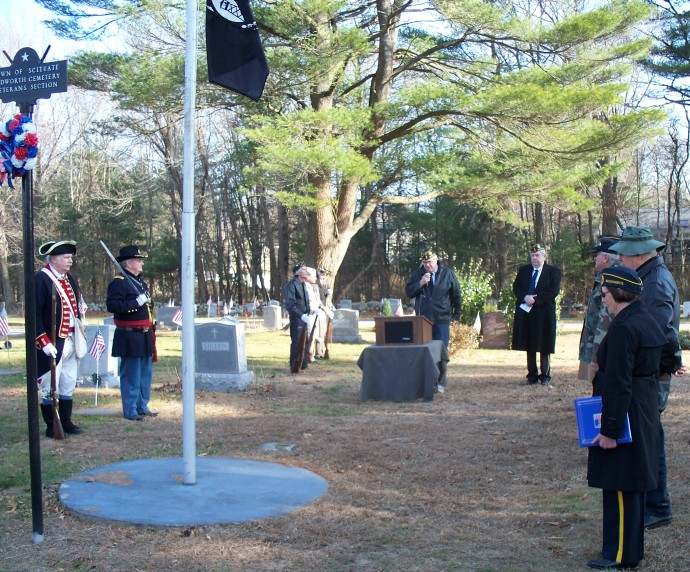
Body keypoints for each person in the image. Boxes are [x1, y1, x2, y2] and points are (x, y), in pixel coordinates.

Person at [586, 266, 679, 570]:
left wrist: (610, 430)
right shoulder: (645, 317)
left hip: (626, 412)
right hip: (644, 407)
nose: (605, 300)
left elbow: (619, 382)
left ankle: (620, 556)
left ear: (620, 293)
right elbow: (668, 356)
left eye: (606, 294)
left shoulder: (625, 326)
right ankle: (628, 550)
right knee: (631, 483)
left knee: (622, 482)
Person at [609, 225, 684, 530]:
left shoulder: (654, 282)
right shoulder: (648, 276)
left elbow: (656, 331)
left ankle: (657, 505)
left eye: (624, 255)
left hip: (650, 372)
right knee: (649, 436)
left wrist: (669, 362)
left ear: (639, 255)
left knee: (650, 438)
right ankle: (654, 501)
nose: (620, 259)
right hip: (649, 370)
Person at [35, 240, 85, 437]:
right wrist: (43, 341)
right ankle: (51, 425)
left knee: (68, 381)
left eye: (70, 258)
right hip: (53, 342)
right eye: (66, 257)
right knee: (49, 383)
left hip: (71, 339)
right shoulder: (42, 279)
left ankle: (66, 421)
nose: (69, 261)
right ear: (53, 259)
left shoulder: (69, 278)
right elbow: (35, 314)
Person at [106, 245, 157, 421]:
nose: (141, 263)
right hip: (130, 335)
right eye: (138, 260)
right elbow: (113, 306)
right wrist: (135, 303)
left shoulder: (140, 282)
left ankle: (142, 405)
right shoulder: (119, 282)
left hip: (144, 334)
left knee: (145, 373)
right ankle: (130, 409)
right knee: (131, 374)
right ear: (128, 263)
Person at [405, 248, 462, 393]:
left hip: (442, 319)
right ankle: (427, 381)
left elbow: (456, 296)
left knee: (441, 352)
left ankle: (441, 382)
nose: (427, 265)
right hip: (423, 320)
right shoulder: (418, 275)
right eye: (425, 263)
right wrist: (421, 283)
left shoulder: (447, 274)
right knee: (426, 352)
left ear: (436, 260)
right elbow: (409, 292)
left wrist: (456, 315)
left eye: (430, 262)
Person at [511, 243, 562, 386]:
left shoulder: (553, 272)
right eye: (532, 255)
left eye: (537, 255)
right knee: (529, 343)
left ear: (544, 256)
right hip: (526, 312)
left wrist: (536, 299)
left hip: (544, 312)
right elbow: (516, 287)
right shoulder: (524, 270)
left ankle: (545, 375)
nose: (534, 258)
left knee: (544, 344)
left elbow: (553, 291)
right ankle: (532, 375)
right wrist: (525, 297)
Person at [578, 236, 621, 383]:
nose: (594, 259)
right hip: (599, 346)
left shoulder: (614, 278)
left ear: (605, 258)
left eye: (596, 255)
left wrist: (597, 354)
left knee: (604, 386)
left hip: (605, 349)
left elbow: (606, 319)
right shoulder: (604, 276)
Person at [284, 264, 315, 371]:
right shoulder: (291, 285)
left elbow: (305, 302)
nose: (306, 271)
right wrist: (301, 315)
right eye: (303, 269)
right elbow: (291, 305)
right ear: (297, 273)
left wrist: (310, 312)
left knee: (305, 341)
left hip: (305, 316)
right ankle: (294, 365)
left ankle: (303, 364)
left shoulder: (304, 284)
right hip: (297, 318)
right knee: (297, 341)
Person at [313, 268, 334, 361]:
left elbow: (325, 299)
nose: (326, 278)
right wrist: (325, 309)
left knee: (323, 332)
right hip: (319, 310)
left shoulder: (323, 286)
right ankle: (318, 353)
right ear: (320, 276)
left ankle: (321, 352)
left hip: (325, 311)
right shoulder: (316, 285)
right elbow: (318, 300)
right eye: (325, 276)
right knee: (319, 333)